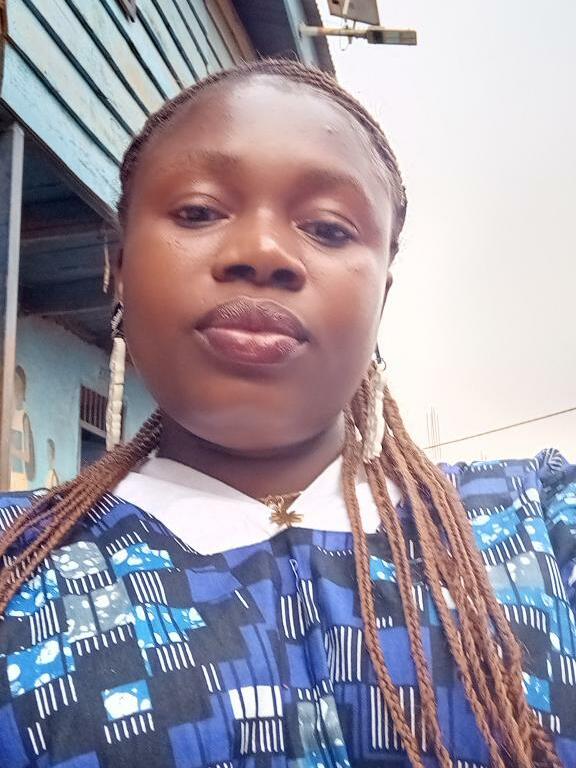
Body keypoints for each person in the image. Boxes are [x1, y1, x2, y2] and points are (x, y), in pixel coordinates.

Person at [0, 59, 574, 768]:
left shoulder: (541, 525)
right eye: (199, 211)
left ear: (381, 295)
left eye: (328, 228)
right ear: (117, 270)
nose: (263, 253)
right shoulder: (16, 560)